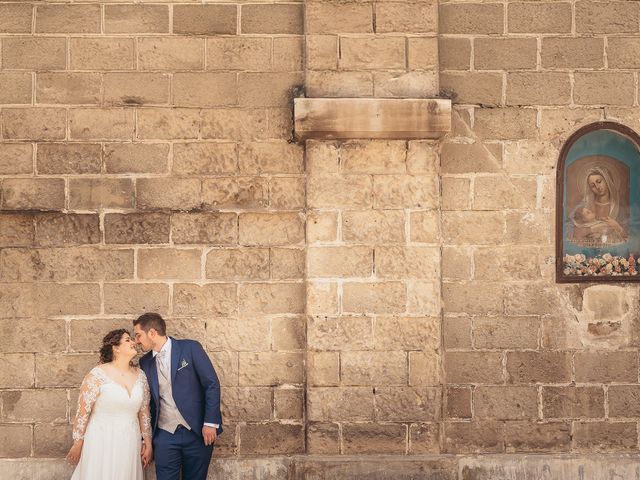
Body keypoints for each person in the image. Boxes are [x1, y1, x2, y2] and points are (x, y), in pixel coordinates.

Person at [133, 313, 222, 480]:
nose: (137, 340)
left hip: (197, 432)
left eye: (138, 335)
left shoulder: (190, 348)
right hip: (165, 435)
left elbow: (211, 384)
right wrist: (147, 439)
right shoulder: (145, 362)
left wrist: (210, 422)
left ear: (152, 333)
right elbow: (149, 402)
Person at [66, 329, 152, 479]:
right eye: (128, 340)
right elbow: (83, 412)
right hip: (101, 439)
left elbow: (144, 412)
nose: (134, 342)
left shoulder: (141, 376)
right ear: (115, 348)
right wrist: (78, 443)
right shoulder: (97, 375)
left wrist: (148, 442)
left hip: (130, 440)